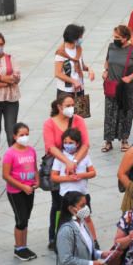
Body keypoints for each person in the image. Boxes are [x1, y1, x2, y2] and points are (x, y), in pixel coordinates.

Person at [43, 95, 91, 249]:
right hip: (58, 166)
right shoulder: (49, 124)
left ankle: (82, 233)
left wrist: (75, 161)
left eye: (73, 104)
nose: (72, 107)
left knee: (80, 203)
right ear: (59, 106)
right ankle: (54, 236)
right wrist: (67, 162)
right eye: (68, 105)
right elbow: (51, 147)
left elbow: (85, 144)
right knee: (58, 203)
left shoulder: (78, 120)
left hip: (77, 166)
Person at [103, 25, 133, 152]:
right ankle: (108, 141)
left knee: (126, 113)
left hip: (128, 88)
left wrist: (131, 77)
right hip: (112, 86)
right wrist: (105, 71)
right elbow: (107, 61)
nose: (115, 39)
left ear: (126, 38)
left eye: (118, 37)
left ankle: (124, 139)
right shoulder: (111, 47)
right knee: (109, 114)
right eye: (114, 36)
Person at [2, 123, 39, 261]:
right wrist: (22, 187)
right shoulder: (10, 153)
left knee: (26, 218)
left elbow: (35, 168)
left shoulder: (31, 150)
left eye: (26, 134)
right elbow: (6, 175)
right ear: (14, 136)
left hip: (30, 190)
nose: (24, 137)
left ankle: (24, 246)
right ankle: (18, 248)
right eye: (21, 135)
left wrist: (37, 181)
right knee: (21, 219)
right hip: (16, 191)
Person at [50, 128, 96, 220]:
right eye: (65, 143)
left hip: (83, 194)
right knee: (66, 220)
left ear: (77, 143)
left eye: (70, 143)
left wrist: (81, 175)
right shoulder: (60, 158)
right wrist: (68, 178)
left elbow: (93, 173)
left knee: (86, 219)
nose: (67, 145)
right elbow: (54, 177)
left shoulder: (84, 156)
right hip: (66, 196)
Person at [53, 23, 96, 100]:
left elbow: (82, 66)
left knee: (81, 111)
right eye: (80, 37)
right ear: (73, 38)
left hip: (79, 88)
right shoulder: (61, 53)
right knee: (68, 111)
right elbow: (58, 73)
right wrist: (73, 81)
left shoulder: (78, 49)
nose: (81, 38)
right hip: (66, 91)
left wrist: (90, 70)